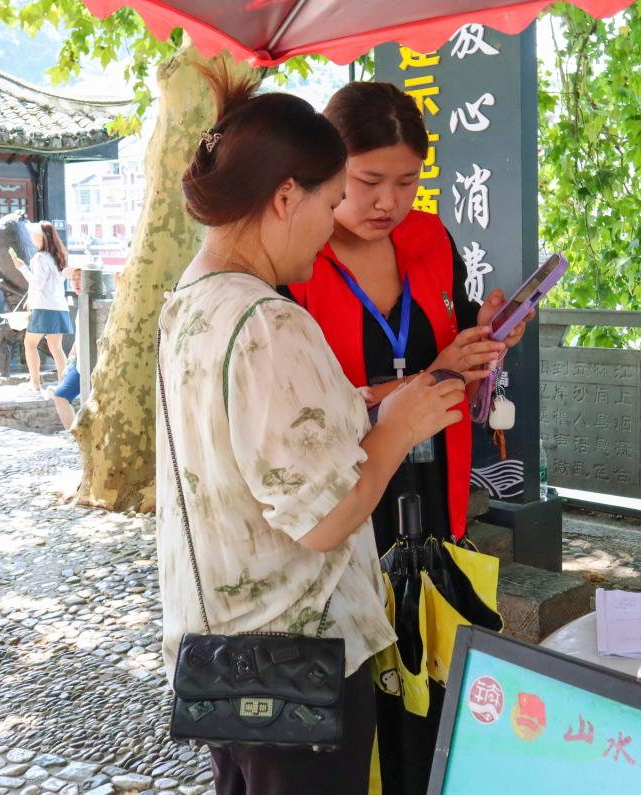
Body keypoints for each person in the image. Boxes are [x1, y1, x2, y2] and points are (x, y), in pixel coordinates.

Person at [157, 65, 465, 795]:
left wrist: (367, 405)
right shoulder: (269, 319)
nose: (333, 223)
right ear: (286, 196)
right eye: (332, 201)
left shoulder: (191, 299)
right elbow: (326, 518)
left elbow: (261, 439)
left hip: (217, 648)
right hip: (295, 658)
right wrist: (396, 427)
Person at [286, 81, 527, 554]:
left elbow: (456, 340)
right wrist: (436, 376)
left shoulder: (430, 237)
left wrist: (486, 331)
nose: (388, 203)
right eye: (369, 181)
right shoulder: (297, 260)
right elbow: (298, 410)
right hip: (344, 495)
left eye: (407, 182)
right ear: (328, 169)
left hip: (436, 479)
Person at [12, 221, 72, 392]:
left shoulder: (39, 258)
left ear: (41, 237)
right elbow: (49, 285)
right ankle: (63, 384)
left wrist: (22, 268)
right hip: (59, 307)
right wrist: (31, 298)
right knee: (56, 348)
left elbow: (38, 283)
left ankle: (35, 383)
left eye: (33, 234)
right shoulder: (58, 256)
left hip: (44, 308)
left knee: (30, 344)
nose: (31, 237)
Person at [49, 261, 85, 430]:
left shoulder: (97, 302)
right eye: (73, 279)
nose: (76, 283)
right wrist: (71, 358)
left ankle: (76, 436)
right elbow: (80, 337)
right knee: (60, 396)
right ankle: (74, 435)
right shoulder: (82, 303)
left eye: (80, 278)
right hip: (80, 363)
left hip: (92, 364)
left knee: (61, 396)